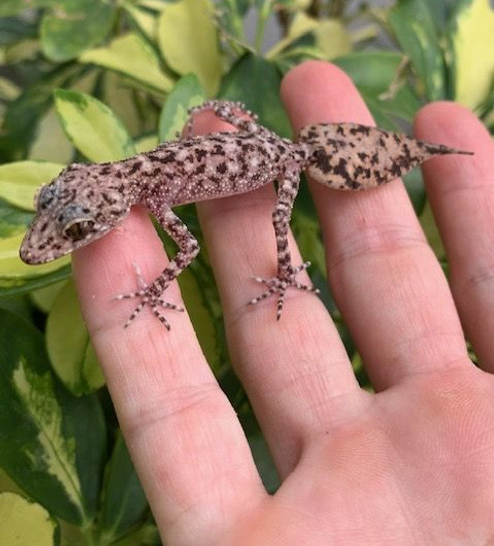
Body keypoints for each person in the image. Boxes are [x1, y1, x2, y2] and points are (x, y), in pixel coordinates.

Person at [73, 61, 494, 545]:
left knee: (278, 225)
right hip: (261, 141)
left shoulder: (156, 189)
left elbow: (188, 248)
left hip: (280, 160)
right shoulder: (148, 179)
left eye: (80, 227)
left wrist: (154, 289)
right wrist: (223, 113)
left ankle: (289, 275)